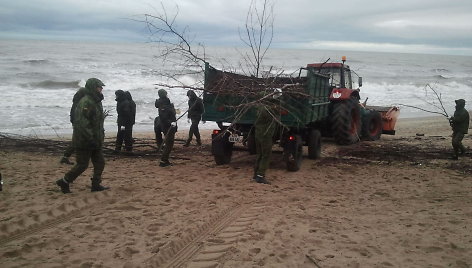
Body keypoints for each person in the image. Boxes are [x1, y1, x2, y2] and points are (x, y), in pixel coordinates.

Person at [55, 78, 109, 193]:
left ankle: (96, 184)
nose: (101, 89)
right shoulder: (86, 102)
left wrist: (99, 136)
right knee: (82, 165)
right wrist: (90, 138)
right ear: (93, 87)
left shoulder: (96, 101)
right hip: (85, 141)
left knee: (100, 163)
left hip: (95, 140)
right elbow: (82, 124)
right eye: (99, 87)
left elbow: (97, 121)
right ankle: (64, 181)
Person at [253, 93, 279, 184]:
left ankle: (256, 174)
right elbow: (276, 118)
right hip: (265, 135)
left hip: (258, 134)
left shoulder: (259, 108)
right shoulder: (269, 110)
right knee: (266, 155)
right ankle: (260, 175)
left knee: (259, 154)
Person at [60, 87, 86, 165]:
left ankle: (67, 157)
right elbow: (77, 115)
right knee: (76, 141)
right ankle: (65, 157)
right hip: (78, 124)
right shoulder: (79, 103)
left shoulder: (77, 101)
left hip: (77, 123)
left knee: (79, 141)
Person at [155, 89, 177, 167]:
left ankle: (165, 160)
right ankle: (163, 161)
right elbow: (164, 117)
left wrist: (173, 108)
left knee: (169, 143)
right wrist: (171, 122)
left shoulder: (166, 103)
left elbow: (170, 113)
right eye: (165, 93)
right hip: (168, 127)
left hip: (169, 126)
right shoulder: (162, 105)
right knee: (169, 144)